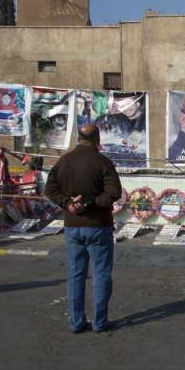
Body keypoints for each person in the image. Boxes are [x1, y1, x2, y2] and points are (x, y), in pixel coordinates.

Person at [45, 124, 122, 334]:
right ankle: (99, 322)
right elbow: (114, 192)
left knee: (75, 275)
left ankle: (77, 322)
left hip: (72, 226)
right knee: (101, 274)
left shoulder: (64, 161)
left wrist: (68, 203)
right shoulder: (103, 162)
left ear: (78, 138)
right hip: (98, 227)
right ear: (98, 140)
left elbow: (49, 188)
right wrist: (90, 203)